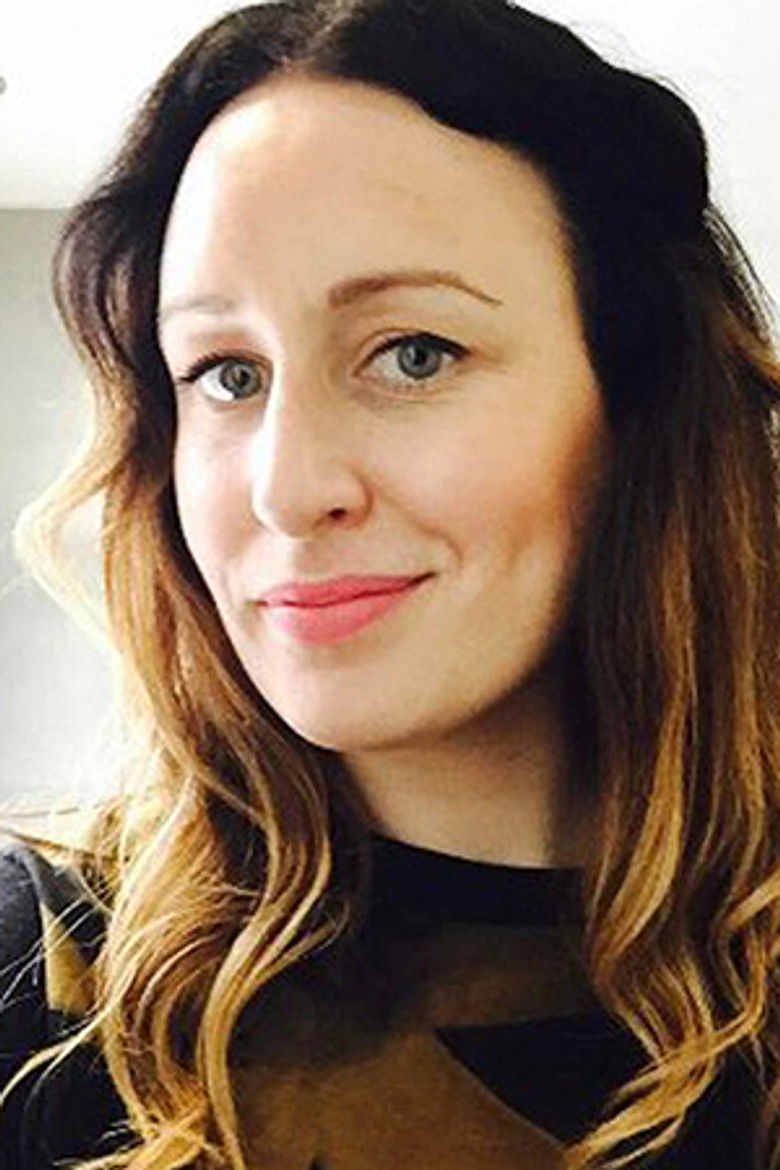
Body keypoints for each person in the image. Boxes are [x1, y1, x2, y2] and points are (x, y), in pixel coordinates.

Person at [1, 0, 778, 1166]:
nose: (286, 487)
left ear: (641, 406)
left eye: (415, 355)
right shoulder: (44, 975)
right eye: (226, 374)